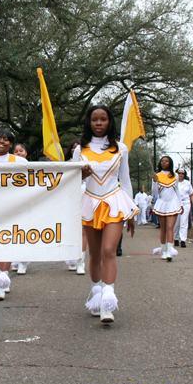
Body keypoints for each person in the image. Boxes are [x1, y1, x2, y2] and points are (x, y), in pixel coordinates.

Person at [73, 106, 137, 324]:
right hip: (89, 201)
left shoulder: (121, 148)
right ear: (89, 122)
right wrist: (81, 174)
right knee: (94, 253)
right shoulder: (80, 149)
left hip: (114, 202)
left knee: (108, 250)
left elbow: (125, 180)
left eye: (103, 119)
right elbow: (72, 181)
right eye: (94, 119)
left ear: (110, 122)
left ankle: (108, 301)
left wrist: (131, 212)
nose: (98, 123)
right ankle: (97, 294)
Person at [0, 129, 27, 300]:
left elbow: (29, 180)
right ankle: (2, 275)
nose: (2, 142)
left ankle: (2, 278)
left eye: (6, 140)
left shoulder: (19, 161)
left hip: (11, 208)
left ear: (11, 143)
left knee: (6, 241)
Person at [152, 156, 182, 261]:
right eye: (162, 161)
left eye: (166, 161)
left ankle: (170, 250)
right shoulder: (157, 175)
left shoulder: (175, 176)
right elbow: (155, 192)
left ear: (170, 163)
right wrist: (155, 181)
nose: (164, 162)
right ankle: (163, 251)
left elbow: (177, 190)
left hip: (173, 203)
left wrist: (181, 204)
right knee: (163, 228)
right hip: (162, 203)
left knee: (170, 227)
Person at [65, 138, 87, 274]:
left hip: (86, 197)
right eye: (73, 147)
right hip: (70, 198)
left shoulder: (89, 163)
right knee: (70, 230)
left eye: (79, 147)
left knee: (83, 230)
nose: (76, 149)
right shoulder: (66, 165)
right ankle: (71, 259)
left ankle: (81, 261)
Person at [11, 143, 31, 274]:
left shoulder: (32, 168)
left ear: (26, 153)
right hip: (12, 204)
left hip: (27, 203)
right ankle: (14, 259)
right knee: (13, 231)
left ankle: (23, 262)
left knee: (24, 231)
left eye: (21, 150)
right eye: (16, 151)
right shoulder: (10, 167)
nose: (18, 153)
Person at [172, 168, 193, 248]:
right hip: (176, 203)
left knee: (184, 221)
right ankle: (175, 238)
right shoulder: (174, 183)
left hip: (186, 202)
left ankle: (183, 240)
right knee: (176, 222)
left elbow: (191, 194)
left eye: (182, 173)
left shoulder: (187, 183)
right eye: (179, 173)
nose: (181, 175)